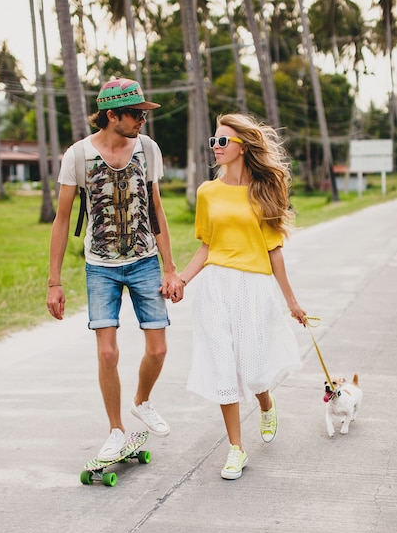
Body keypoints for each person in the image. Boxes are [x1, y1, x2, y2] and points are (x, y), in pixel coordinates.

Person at [47, 77, 179, 461]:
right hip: (100, 266)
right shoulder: (77, 156)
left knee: (158, 348)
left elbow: (156, 209)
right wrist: (53, 282)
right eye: (136, 114)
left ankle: (142, 401)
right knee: (107, 353)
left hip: (143, 262)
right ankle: (116, 430)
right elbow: (61, 219)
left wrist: (170, 267)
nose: (142, 120)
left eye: (143, 113)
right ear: (111, 115)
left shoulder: (148, 148)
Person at [170, 113, 307, 480]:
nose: (216, 147)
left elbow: (274, 250)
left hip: (254, 287)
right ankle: (236, 448)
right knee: (222, 365)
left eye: (222, 141)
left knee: (250, 367)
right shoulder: (207, 192)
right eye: (213, 141)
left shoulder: (263, 191)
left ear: (242, 147)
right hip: (215, 286)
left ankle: (266, 402)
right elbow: (206, 246)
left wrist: (292, 302)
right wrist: (182, 279)